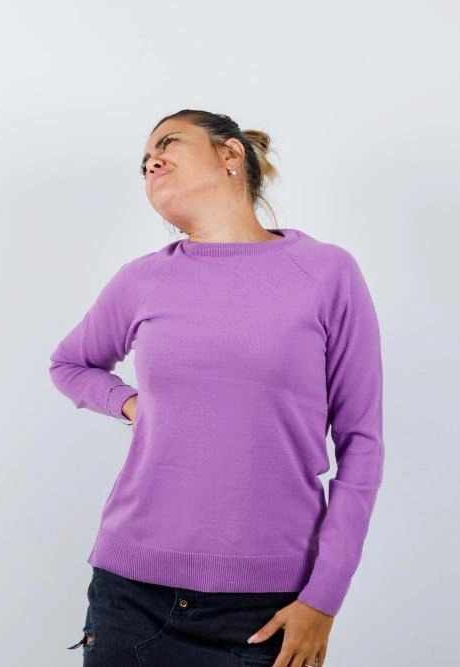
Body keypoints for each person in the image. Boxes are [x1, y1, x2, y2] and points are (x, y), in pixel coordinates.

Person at [48, 109, 385, 667]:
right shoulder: (142, 279)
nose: (152, 159)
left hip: (264, 610)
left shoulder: (326, 273)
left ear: (231, 155)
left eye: (169, 142)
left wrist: (324, 598)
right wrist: (130, 404)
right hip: (129, 595)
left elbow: (361, 444)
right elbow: (70, 364)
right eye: (144, 160)